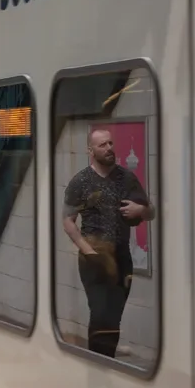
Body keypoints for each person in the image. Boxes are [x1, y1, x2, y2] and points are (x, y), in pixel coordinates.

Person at [62, 128, 154, 358]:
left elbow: (151, 212)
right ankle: (98, 363)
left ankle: (107, 358)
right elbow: (68, 222)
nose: (109, 148)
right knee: (101, 313)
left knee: (114, 316)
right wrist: (88, 251)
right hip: (94, 256)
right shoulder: (80, 182)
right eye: (103, 145)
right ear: (90, 150)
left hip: (122, 257)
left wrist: (141, 209)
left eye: (111, 143)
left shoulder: (127, 178)